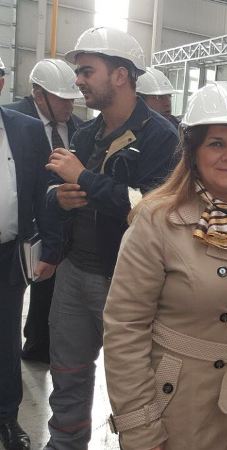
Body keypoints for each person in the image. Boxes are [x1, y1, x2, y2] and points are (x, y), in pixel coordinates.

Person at [103, 81, 227, 450]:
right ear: (193, 152)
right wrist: (141, 429)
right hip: (185, 402)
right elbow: (125, 329)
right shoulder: (157, 220)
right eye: (216, 144)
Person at [42, 26, 179, 449]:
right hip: (73, 274)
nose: (78, 80)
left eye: (87, 71)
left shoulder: (162, 138)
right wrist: (60, 198)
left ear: (120, 75)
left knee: (133, 385)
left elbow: (148, 208)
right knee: (67, 373)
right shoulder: (87, 134)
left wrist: (82, 177)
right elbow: (71, 191)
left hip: (126, 283)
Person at [4, 58, 84, 364]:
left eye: (72, 100)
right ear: (39, 95)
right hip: (22, 227)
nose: (69, 106)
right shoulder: (13, 121)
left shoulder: (80, 128)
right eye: (62, 100)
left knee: (47, 293)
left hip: (60, 226)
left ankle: (38, 347)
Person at [0, 56, 60, 450]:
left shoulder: (25, 130)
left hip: (7, 255)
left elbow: (43, 193)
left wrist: (51, 249)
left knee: (6, 338)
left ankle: (7, 417)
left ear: (1, 82)